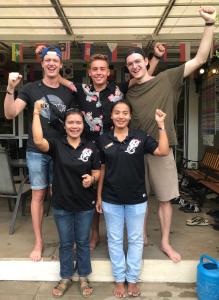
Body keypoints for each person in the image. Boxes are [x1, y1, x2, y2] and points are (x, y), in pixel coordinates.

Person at [125, 6, 216, 263]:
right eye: (129, 64)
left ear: (145, 62)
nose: (134, 66)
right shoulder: (130, 91)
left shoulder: (168, 78)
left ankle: (164, 241)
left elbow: (199, 59)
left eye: (137, 62)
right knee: (138, 199)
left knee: (165, 199)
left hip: (162, 148)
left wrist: (209, 25)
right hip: (135, 150)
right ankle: (141, 237)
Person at [56, 44, 165, 250]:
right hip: (89, 150)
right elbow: (57, 77)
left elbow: (143, 73)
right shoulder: (81, 89)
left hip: (114, 148)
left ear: (108, 72)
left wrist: (155, 58)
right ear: (89, 72)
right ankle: (95, 234)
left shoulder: (118, 89)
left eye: (102, 69)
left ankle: (133, 233)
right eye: (94, 69)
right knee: (90, 193)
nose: (98, 72)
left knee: (115, 190)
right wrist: (43, 56)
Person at [4, 46, 75, 261]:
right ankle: (39, 241)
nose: (51, 63)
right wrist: (10, 89)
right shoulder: (30, 89)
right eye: (48, 60)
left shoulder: (68, 92)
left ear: (61, 65)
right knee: (38, 195)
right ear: (42, 64)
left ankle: (66, 241)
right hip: (37, 151)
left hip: (61, 151)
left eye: (55, 60)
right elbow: (10, 113)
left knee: (62, 196)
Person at [96, 101, 169, 298]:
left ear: (130, 116)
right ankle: (120, 279)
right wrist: (99, 196)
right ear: (111, 116)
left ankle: (133, 279)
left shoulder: (140, 136)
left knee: (136, 239)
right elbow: (102, 169)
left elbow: (163, 151)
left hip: (137, 199)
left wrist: (161, 125)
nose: (121, 116)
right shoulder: (103, 139)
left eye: (125, 113)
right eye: (117, 113)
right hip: (111, 199)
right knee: (115, 239)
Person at [32, 102, 100, 297]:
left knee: (83, 242)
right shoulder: (56, 144)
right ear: (65, 125)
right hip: (62, 204)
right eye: (70, 122)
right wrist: (36, 112)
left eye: (78, 122)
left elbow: (96, 173)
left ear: (83, 125)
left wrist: (92, 179)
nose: (74, 126)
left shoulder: (91, 147)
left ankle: (84, 276)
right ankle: (66, 277)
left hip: (85, 204)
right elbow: (38, 141)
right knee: (65, 243)